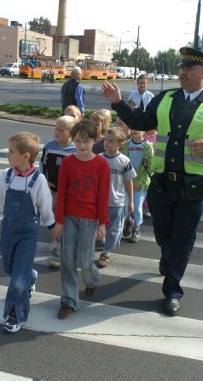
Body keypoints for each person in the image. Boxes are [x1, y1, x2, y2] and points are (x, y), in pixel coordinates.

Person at [101, 46, 203, 317]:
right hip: (162, 182)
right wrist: (118, 103)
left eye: (189, 69)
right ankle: (167, 258)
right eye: (181, 68)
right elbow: (141, 120)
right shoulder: (165, 98)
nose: (183, 72)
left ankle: (172, 289)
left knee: (182, 239)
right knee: (163, 233)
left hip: (194, 186)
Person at [0, 132, 55, 333]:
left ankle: (15, 315)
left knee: (17, 282)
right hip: (9, 229)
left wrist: (52, 226)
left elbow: (45, 206)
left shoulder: (38, 180)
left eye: (11, 152)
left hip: (28, 232)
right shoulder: (6, 175)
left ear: (26, 156)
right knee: (10, 267)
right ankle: (29, 276)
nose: (7, 155)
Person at [51, 119, 110, 319]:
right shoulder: (68, 162)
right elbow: (61, 194)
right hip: (68, 218)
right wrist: (59, 220)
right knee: (67, 259)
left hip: (89, 219)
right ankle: (69, 300)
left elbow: (103, 196)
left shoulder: (101, 164)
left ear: (95, 140)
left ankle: (92, 279)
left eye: (86, 141)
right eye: (77, 141)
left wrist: (102, 222)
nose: (82, 145)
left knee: (84, 260)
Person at [40, 115, 78, 270]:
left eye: (61, 130)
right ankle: (55, 240)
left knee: (65, 218)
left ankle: (63, 244)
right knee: (53, 216)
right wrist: (44, 180)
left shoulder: (75, 149)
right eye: (56, 129)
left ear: (70, 133)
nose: (57, 132)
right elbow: (42, 165)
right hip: (52, 189)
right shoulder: (49, 146)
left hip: (68, 192)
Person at [96, 127, 136, 268]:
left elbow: (128, 182)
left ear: (120, 144)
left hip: (116, 202)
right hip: (98, 202)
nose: (106, 143)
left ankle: (106, 253)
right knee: (96, 226)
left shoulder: (124, 161)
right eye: (105, 140)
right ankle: (97, 244)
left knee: (113, 228)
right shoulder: (99, 158)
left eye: (111, 141)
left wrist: (130, 201)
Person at [122, 125, 154, 243]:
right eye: (134, 127)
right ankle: (126, 224)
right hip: (126, 182)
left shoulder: (148, 147)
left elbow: (150, 167)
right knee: (124, 206)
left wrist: (141, 182)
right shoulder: (125, 145)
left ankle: (136, 228)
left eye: (139, 127)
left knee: (137, 207)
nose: (136, 130)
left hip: (140, 184)